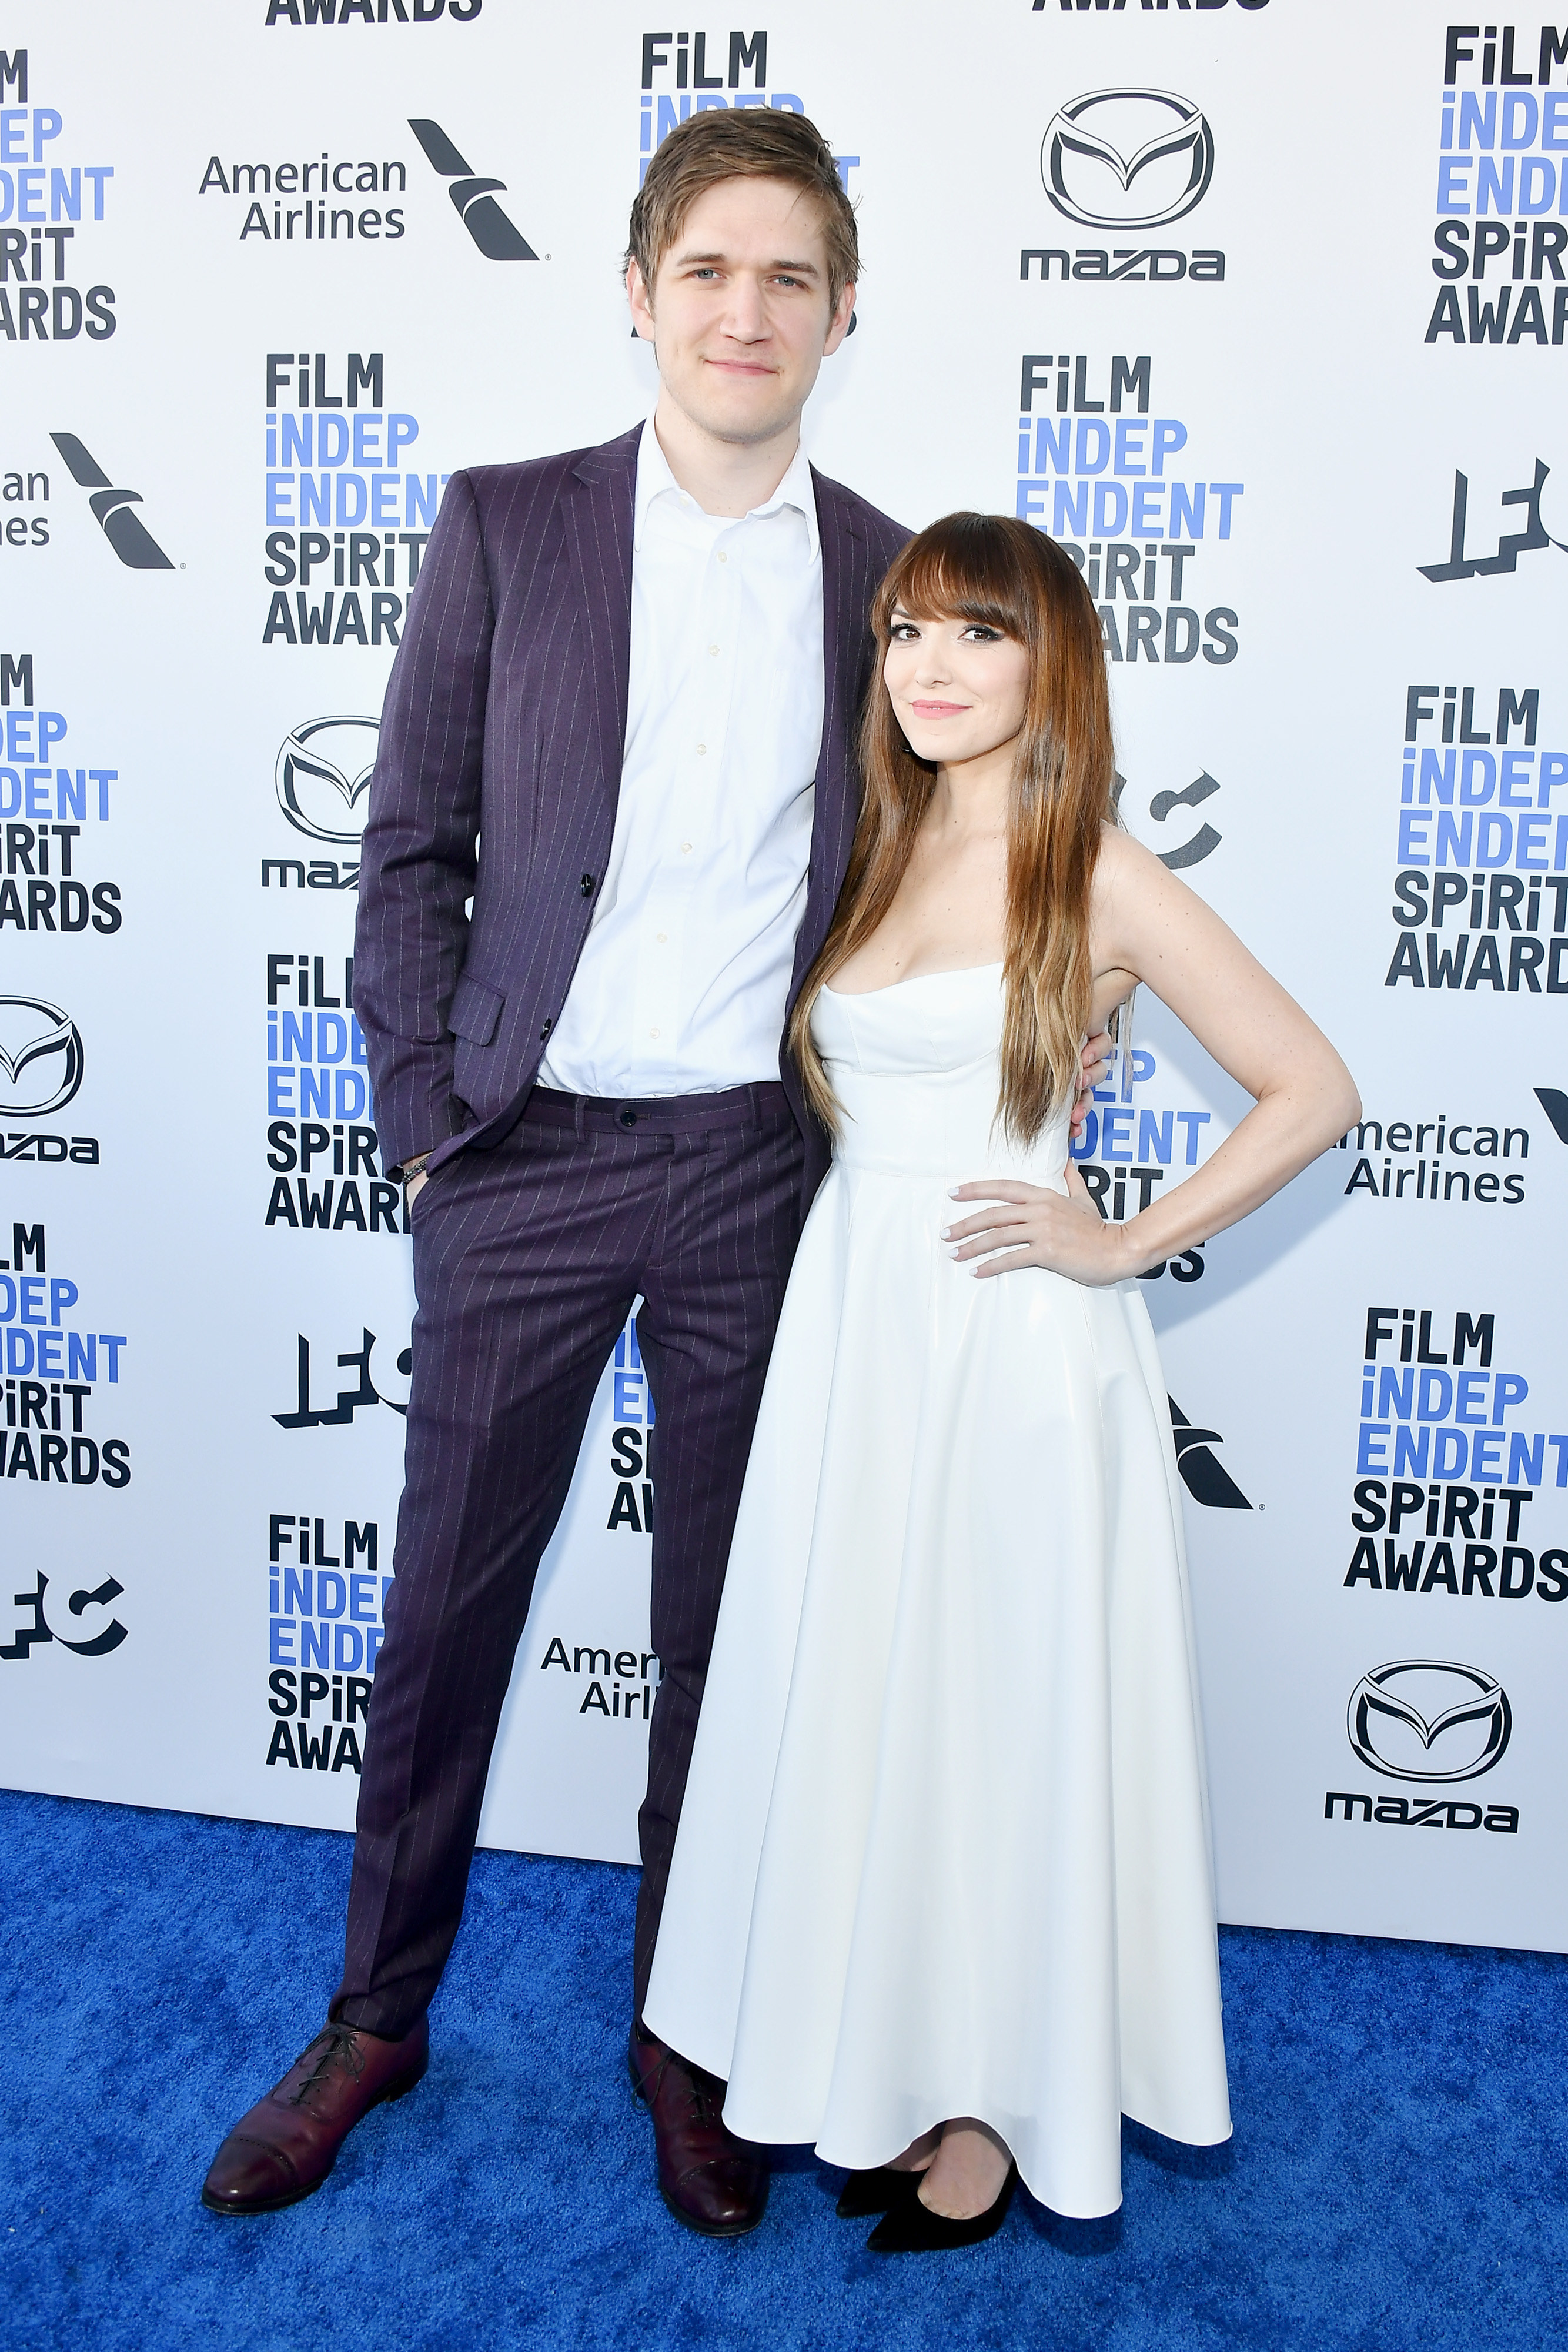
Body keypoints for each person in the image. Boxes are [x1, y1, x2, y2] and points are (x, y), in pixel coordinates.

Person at [199, 106, 1114, 2233]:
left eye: (790, 274)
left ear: (844, 312)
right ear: (636, 289)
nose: (745, 308)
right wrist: (432, 1126)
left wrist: (1057, 1022)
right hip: (517, 1161)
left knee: (735, 1639)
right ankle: (371, 2018)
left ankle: (687, 2043)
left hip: (760, 1181)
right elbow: (407, 850)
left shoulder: (902, 586)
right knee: (442, 1614)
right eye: (707, 267)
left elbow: (970, 862)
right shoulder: (503, 525)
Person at [644, 511, 1361, 2251]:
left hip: (1015, 1349)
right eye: (905, 635)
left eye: (976, 635)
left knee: (992, 1721)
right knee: (872, 1706)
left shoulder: (1091, 866)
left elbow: (1311, 1088)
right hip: (857, 1332)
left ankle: (982, 2111)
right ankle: (877, 2062)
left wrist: (1121, 1240)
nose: (931, 669)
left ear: (1053, 666)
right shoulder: (868, 848)